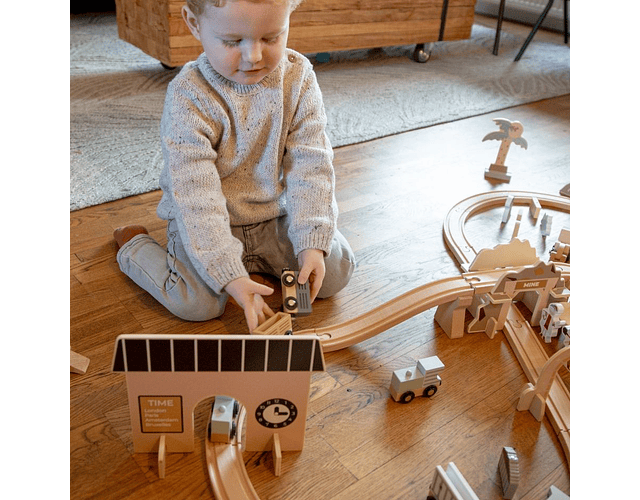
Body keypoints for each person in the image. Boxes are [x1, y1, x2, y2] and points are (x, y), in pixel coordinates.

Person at [114, 0, 356, 332]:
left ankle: (283, 256)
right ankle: (134, 246)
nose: (254, 56)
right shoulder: (188, 96)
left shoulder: (298, 78)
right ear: (194, 23)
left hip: (273, 216)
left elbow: (311, 165)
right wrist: (229, 276)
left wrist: (311, 244)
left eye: (271, 37)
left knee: (335, 271)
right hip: (208, 223)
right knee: (197, 303)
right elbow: (196, 199)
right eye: (232, 41)